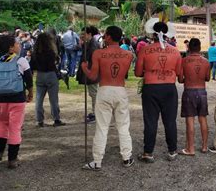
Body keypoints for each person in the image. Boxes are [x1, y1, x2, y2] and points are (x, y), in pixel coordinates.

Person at [81, 26, 134, 170]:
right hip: (120, 90)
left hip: (104, 90)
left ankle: (97, 161)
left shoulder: (98, 53)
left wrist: (84, 68)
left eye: (105, 35)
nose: (103, 37)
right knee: (123, 126)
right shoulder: (128, 54)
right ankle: (126, 157)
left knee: (102, 127)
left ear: (109, 37)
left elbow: (92, 76)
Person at [135, 22, 182, 162]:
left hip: (151, 87)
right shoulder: (175, 51)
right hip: (169, 88)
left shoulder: (145, 50)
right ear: (167, 34)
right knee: (170, 121)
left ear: (153, 34)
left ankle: (148, 153)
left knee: (150, 121)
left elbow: (138, 73)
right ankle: (172, 151)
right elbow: (179, 74)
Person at [0, 35, 33, 169]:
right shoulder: (21, 61)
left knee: (1, 125)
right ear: (10, 47)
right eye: (17, 44)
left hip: (0, 99)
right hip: (17, 99)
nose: (19, 46)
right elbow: (28, 80)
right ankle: (12, 159)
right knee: (15, 127)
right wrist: (30, 93)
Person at [178, 38, 210, 155]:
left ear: (189, 48)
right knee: (203, 119)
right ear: (200, 48)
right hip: (202, 92)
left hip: (189, 91)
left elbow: (180, 79)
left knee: (190, 121)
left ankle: (190, 149)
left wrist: (189, 78)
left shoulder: (184, 61)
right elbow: (207, 78)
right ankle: (204, 146)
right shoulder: (206, 62)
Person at [30, 33, 65, 127]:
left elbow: (32, 66)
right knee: (53, 99)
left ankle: (39, 120)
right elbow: (54, 64)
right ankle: (56, 119)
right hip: (50, 74)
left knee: (39, 99)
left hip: (40, 75)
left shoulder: (35, 52)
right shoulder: (51, 52)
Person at [76, 27, 100, 123]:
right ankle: (95, 113)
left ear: (89, 34)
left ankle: (96, 114)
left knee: (94, 94)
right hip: (90, 72)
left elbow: (90, 58)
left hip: (92, 72)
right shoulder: (89, 43)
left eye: (83, 34)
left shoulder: (93, 44)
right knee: (93, 93)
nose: (82, 36)